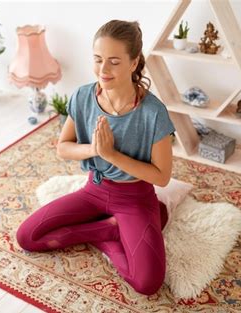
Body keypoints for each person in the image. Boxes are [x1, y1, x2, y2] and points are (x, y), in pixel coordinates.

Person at [16, 19, 175, 296]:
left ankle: (116, 231)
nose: (103, 69)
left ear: (134, 62)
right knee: (27, 237)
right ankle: (106, 231)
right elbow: (63, 147)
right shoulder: (83, 96)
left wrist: (111, 154)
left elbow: (161, 176)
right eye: (98, 59)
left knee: (147, 284)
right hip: (94, 191)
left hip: (134, 198)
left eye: (114, 61)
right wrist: (94, 150)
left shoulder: (154, 112)